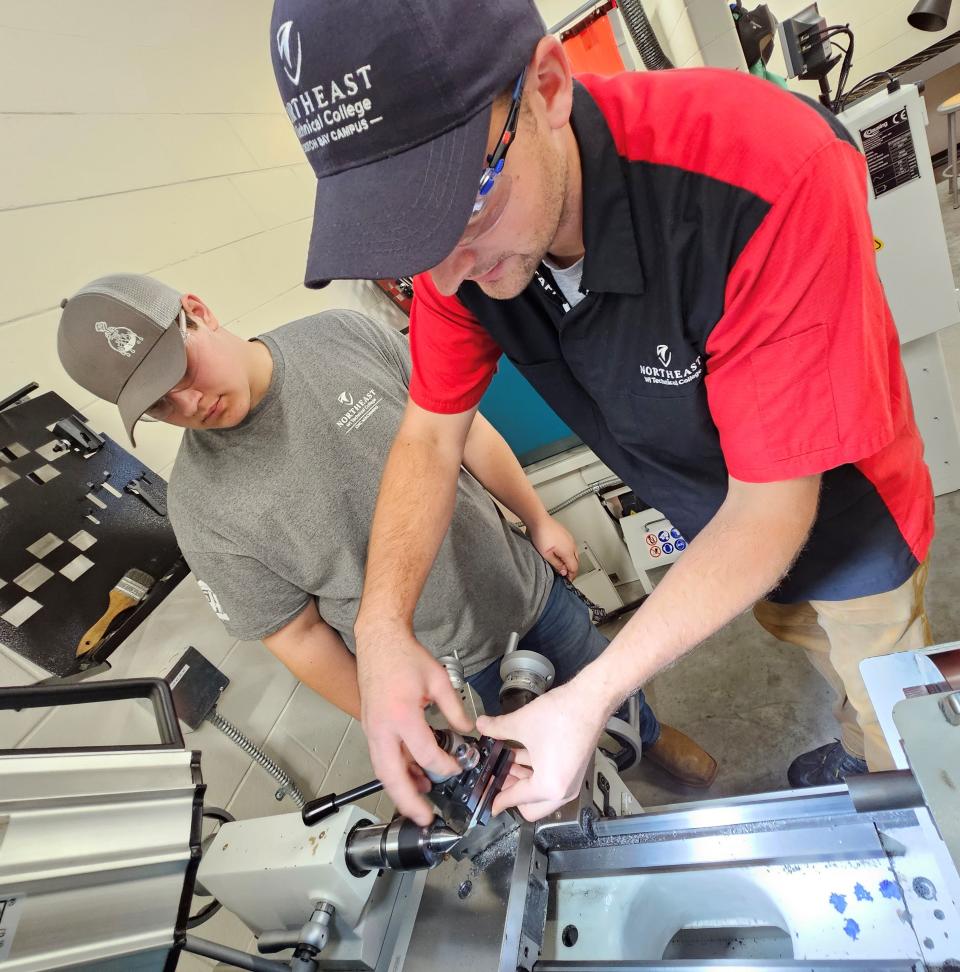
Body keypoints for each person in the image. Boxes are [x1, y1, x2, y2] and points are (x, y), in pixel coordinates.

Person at [268, 0, 935, 825]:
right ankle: (853, 734)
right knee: (802, 635)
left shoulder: (766, 173)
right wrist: (378, 630)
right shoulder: (460, 264)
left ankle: (879, 765)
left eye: (461, 204)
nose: (446, 273)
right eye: (409, 238)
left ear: (547, 86)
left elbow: (774, 504)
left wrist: (592, 697)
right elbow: (430, 433)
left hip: (843, 521)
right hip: (718, 520)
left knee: (895, 708)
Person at [55, 273, 716, 787]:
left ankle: (650, 737)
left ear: (197, 312)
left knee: (604, 677)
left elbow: (464, 433)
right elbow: (298, 634)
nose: (190, 403)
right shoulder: (201, 511)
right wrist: (390, 719)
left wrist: (538, 518)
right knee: (539, 767)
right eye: (161, 404)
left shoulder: (341, 336)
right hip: (452, 670)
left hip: (523, 586)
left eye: (182, 371)